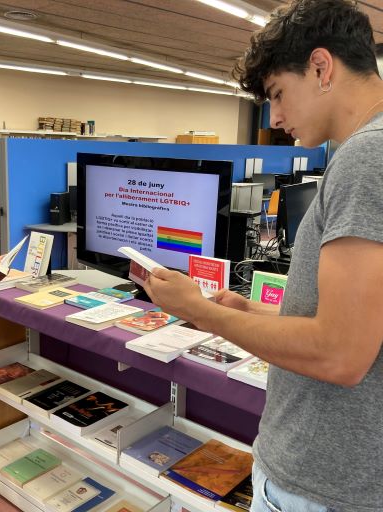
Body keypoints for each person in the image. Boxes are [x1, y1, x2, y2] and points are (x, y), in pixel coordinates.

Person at [144, 1, 383, 511]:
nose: (274, 118)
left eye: (277, 94)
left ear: (321, 68)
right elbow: (360, 325)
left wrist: (200, 312)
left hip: (325, 483)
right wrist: (252, 311)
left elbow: (340, 355)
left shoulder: (367, 158)